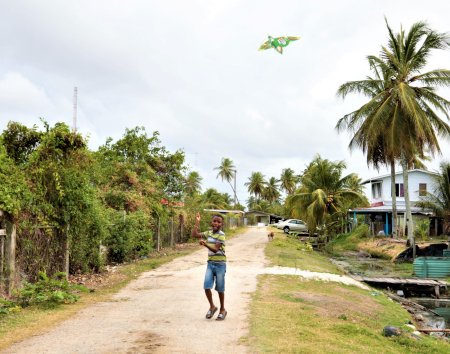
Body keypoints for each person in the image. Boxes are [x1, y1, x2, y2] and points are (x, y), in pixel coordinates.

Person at [192, 212, 227, 321]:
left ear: (222, 224)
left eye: (219, 222)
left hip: (220, 264)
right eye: (214, 221)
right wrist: (197, 221)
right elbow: (194, 234)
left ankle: (222, 309)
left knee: (220, 288)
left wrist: (205, 244)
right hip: (210, 263)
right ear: (211, 222)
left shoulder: (221, 234)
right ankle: (212, 306)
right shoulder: (209, 233)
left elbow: (216, 250)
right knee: (207, 286)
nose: (216, 223)